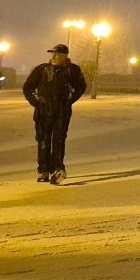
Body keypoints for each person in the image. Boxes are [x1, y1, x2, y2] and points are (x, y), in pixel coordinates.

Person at [22, 44, 87, 184]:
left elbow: (81, 86)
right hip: (43, 111)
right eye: (53, 54)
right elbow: (28, 87)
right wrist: (36, 102)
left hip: (62, 111)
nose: (54, 56)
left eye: (58, 54)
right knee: (43, 140)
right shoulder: (42, 69)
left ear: (65, 56)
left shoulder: (72, 70)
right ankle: (43, 170)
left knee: (58, 139)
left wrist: (69, 100)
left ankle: (58, 168)